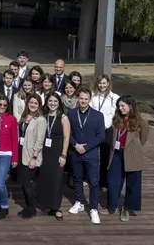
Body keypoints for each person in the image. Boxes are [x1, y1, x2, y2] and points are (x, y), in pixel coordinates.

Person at [107, 95, 149, 222]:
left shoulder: (140, 122)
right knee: (113, 181)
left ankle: (127, 208)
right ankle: (112, 205)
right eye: (119, 106)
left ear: (130, 107)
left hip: (132, 155)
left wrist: (133, 149)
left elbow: (143, 138)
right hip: (117, 154)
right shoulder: (117, 119)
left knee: (132, 184)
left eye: (123, 106)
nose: (120, 109)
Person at [68, 88, 106, 224]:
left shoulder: (98, 115)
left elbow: (101, 136)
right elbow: (68, 133)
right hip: (75, 151)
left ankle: (94, 208)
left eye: (86, 99)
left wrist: (86, 147)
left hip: (91, 153)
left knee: (93, 182)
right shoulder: (71, 113)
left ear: (89, 100)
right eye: (81, 98)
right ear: (78, 98)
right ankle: (79, 202)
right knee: (77, 179)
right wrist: (75, 145)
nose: (83, 101)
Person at [36, 92, 71, 221]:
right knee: (45, 178)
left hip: (57, 152)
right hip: (45, 152)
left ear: (59, 103)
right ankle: (46, 203)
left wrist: (64, 154)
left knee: (56, 180)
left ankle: (56, 207)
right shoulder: (43, 117)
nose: (52, 104)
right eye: (50, 101)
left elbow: (67, 137)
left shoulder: (63, 118)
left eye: (55, 101)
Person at [17, 94, 47, 219]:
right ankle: (27, 206)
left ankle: (32, 207)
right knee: (23, 183)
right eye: (31, 103)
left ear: (39, 105)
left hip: (31, 155)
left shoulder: (41, 120)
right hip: (21, 152)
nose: (33, 105)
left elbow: (39, 141)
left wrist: (34, 158)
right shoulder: (24, 117)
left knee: (28, 183)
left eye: (35, 103)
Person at [91, 74, 119, 191]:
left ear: (108, 84)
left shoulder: (115, 97)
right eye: (100, 83)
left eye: (104, 83)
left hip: (107, 129)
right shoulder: (93, 96)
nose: (102, 85)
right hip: (93, 129)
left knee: (105, 156)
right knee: (91, 156)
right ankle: (89, 178)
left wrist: (105, 125)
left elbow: (112, 114)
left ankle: (103, 182)